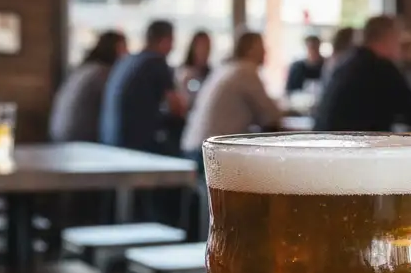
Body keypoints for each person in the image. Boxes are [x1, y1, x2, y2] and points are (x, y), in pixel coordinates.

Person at [181, 31, 282, 169]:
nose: (265, 52)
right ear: (250, 49)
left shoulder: (225, 68)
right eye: (262, 47)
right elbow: (271, 117)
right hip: (210, 153)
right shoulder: (245, 71)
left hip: (194, 146)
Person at [314, 16, 411, 132]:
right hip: (355, 146)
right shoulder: (381, 68)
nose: (400, 47)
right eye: (398, 39)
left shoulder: (348, 63)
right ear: (389, 38)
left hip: (328, 143)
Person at [100, 19, 188, 154]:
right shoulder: (156, 62)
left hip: (110, 142)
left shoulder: (127, 61)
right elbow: (177, 108)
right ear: (165, 41)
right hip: (135, 145)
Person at [49, 30, 127, 143]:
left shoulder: (84, 69)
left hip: (58, 135)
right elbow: (118, 104)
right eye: (124, 47)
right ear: (116, 48)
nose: (127, 53)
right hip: (79, 139)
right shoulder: (102, 73)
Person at [175, 31, 212, 112]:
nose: (204, 51)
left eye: (207, 47)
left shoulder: (211, 74)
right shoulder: (184, 73)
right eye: (201, 46)